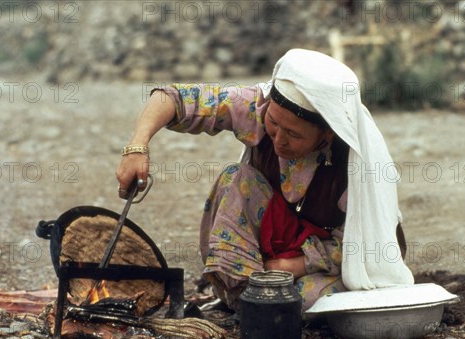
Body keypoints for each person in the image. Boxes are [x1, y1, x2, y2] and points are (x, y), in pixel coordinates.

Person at [116, 48, 414, 312]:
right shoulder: (255, 107)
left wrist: (296, 265)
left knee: (318, 298)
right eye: (273, 123)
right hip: (265, 249)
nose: (279, 140)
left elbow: (368, 245)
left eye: (294, 134)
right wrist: (137, 147)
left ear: (328, 133)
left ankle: (268, 303)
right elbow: (174, 98)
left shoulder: (357, 163)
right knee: (237, 179)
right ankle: (247, 296)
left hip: (320, 260)